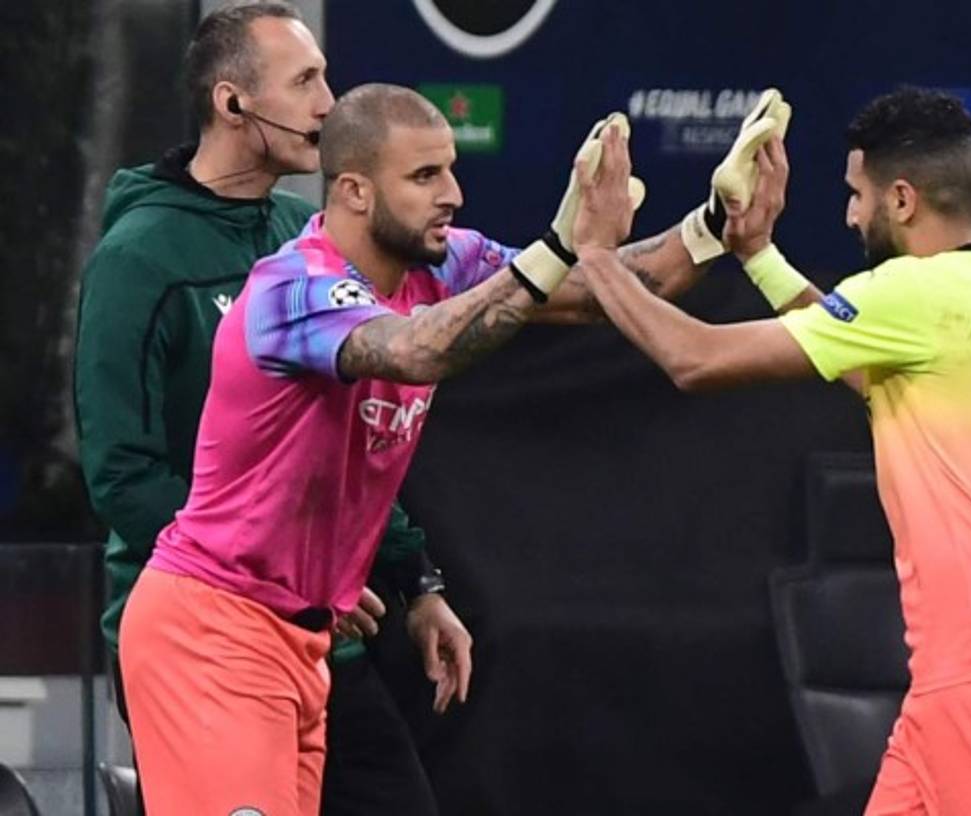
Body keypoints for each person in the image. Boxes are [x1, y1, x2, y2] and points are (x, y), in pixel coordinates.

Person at [114, 78, 784, 814]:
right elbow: (414, 352)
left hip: (306, 644)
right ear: (354, 192)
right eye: (425, 176)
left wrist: (714, 225)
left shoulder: (439, 268)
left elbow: (604, 290)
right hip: (212, 632)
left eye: (451, 169)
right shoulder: (293, 288)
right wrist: (560, 245)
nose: (454, 194)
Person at [572, 86, 971, 814]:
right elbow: (858, 357)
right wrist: (757, 254)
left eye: (857, 195)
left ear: (902, 199)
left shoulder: (912, 292)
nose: (850, 214)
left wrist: (594, 256)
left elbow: (696, 359)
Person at [74, 4, 464, 815]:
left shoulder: (311, 231)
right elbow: (122, 478)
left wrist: (415, 580)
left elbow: (350, 443)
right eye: (305, 82)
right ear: (232, 105)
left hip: (321, 637)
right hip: (204, 634)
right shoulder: (138, 257)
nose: (329, 103)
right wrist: (279, 560)